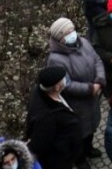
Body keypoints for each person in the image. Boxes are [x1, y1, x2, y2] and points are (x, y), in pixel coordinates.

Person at [45, 16, 106, 165]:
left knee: (92, 127)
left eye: (72, 30)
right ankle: (80, 159)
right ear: (60, 38)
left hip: (92, 98)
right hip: (76, 104)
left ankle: (89, 148)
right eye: (67, 33)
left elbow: (97, 60)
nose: (73, 34)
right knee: (79, 134)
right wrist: (90, 89)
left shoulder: (84, 42)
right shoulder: (55, 59)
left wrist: (99, 80)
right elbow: (65, 84)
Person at [26, 65, 84, 169]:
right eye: (63, 79)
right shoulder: (46, 117)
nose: (65, 79)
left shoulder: (42, 92)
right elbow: (41, 144)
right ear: (57, 87)